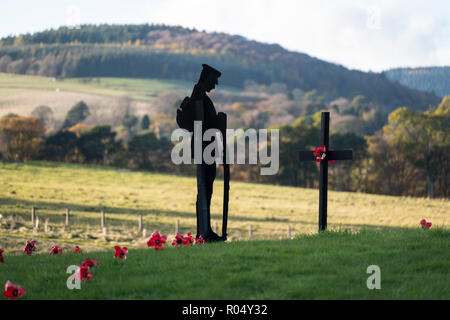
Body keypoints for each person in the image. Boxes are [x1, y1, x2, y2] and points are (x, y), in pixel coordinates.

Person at [190, 64, 224, 242]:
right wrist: (218, 123)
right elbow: (199, 122)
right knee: (204, 189)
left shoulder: (201, 96)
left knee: (207, 189)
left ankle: (205, 230)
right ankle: (203, 232)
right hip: (204, 148)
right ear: (207, 79)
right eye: (214, 81)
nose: (215, 85)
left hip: (207, 148)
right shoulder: (198, 96)